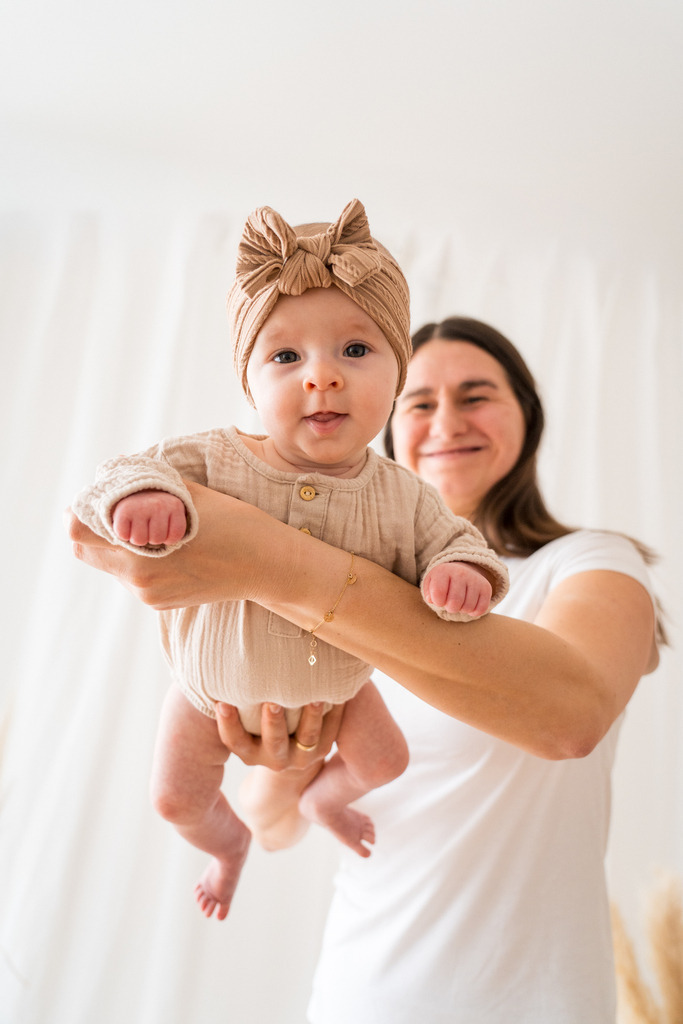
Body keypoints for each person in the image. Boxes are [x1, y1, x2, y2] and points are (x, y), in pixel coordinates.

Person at [67, 315, 661, 1022]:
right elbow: (273, 825)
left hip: (535, 1002)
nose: (447, 422)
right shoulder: (334, 556)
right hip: (360, 992)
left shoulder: (589, 561)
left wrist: (268, 561)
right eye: (421, 402)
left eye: (475, 396)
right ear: (388, 420)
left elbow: (571, 719)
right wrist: (289, 756)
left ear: (527, 415)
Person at [71, 205, 509, 923]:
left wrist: (460, 576)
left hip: (341, 694)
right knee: (173, 799)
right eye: (285, 357)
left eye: (355, 350)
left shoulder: (404, 496)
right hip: (205, 695)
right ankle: (228, 847)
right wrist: (143, 495)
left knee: (386, 762)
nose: (321, 378)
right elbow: (117, 473)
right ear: (248, 381)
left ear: (397, 373)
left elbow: (459, 544)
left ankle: (324, 800)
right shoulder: (215, 458)